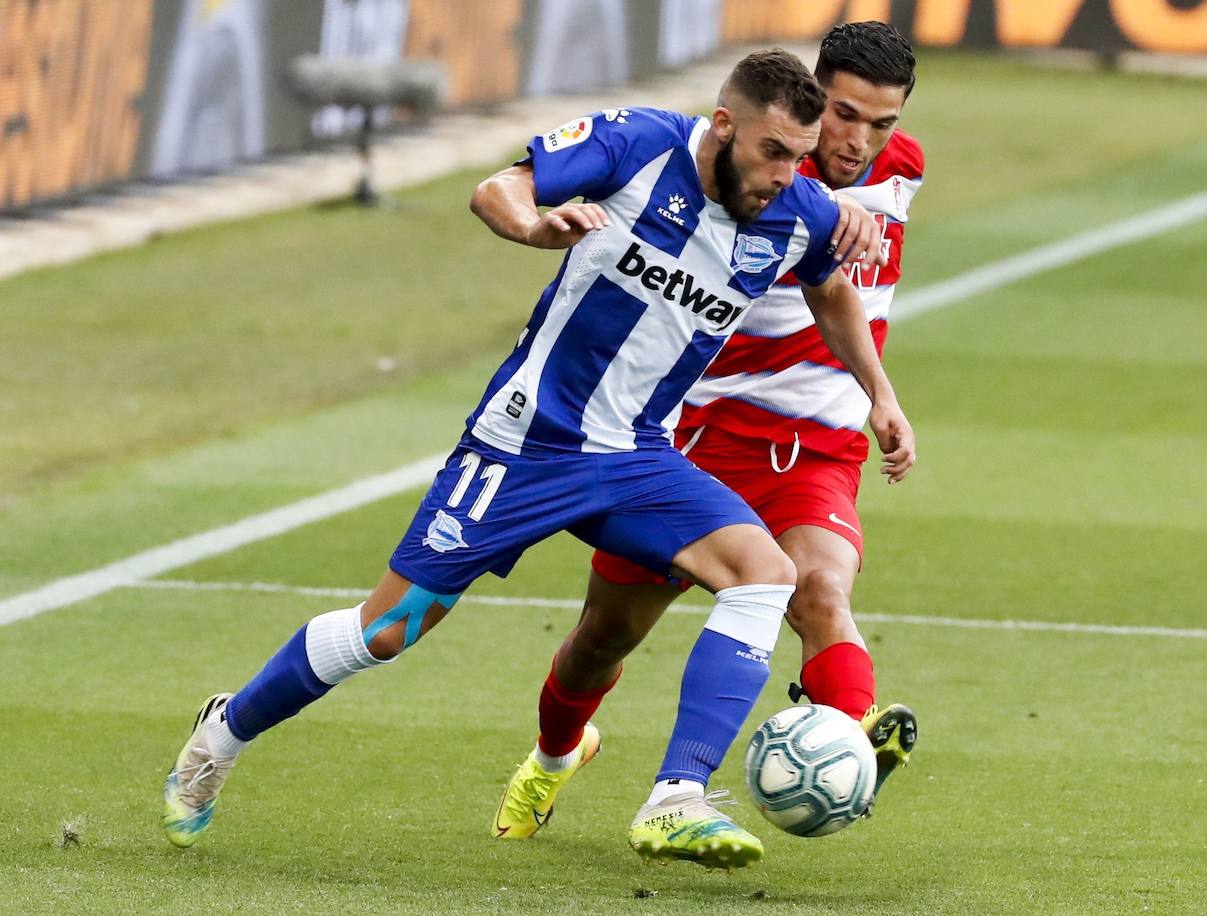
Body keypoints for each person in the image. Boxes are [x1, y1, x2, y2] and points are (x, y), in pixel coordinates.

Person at [159, 47, 913, 851]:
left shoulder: (796, 209)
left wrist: (879, 392)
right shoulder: (638, 143)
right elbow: (500, 189)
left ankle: (676, 796)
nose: (784, 175)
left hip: (635, 455)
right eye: (772, 152)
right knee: (389, 630)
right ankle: (224, 731)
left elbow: (830, 283)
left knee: (766, 576)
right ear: (724, 125)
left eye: (799, 158)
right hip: (524, 443)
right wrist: (534, 224)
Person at [491, 22, 924, 870]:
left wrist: (881, 396)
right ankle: (554, 757)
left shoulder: (900, 169)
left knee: (820, 592)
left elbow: (847, 297)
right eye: (844, 115)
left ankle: (845, 746)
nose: (859, 141)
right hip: (690, 437)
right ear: (811, 95)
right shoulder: (753, 177)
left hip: (813, 445)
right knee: (601, 641)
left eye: (881, 122)